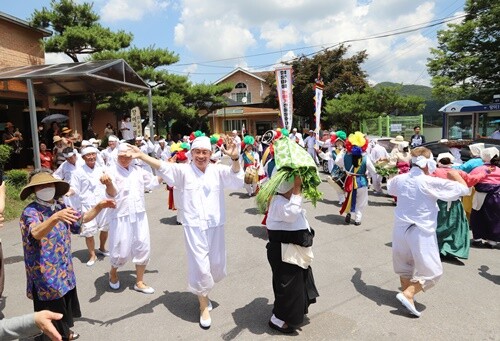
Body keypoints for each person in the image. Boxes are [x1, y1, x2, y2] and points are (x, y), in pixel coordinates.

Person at [128, 135, 243, 329]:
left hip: (216, 225)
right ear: (191, 154)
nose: (201, 156)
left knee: (215, 266)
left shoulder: (217, 170)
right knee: (200, 266)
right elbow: (163, 167)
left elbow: (237, 179)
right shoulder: (183, 171)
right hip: (194, 227)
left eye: (205, 152)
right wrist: (141, 156)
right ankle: (203, 305)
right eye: (197, 152)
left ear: (210, 154)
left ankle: (204, 292)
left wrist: (234, 158)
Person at [19, 169, 115, 341]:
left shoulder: (60, 206)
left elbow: (81, 219)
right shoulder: (31, 212)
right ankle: (55, 336)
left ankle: (63, 333)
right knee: (52, 307)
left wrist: (99, 206)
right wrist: (55, 218)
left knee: (64, 304)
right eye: (41, 185)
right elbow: (36, 232)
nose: (46, 188)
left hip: (63, 268)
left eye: (49, 184)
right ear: (34, 190)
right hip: (44, 272)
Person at [387, 147, 469, 317]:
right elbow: (463, 190)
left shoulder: (400, 179)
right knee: (433, 272)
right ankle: (408, 294)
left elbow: (390, 189)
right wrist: (456, 176)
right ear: (428, 163)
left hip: (400, 229)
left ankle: (408, 297)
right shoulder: (429, 182)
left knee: (404, 267)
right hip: (420, 230)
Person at [105, 143, 163, 295]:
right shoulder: (110, 171)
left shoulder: (138, 170)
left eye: (128, 156)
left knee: (142, 247)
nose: (124, 159)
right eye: (121, 156)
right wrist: (108, 183)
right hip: (120, 216)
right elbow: (111, 193)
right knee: (120, 251)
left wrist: (166, 170)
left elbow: (152, 182)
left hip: (139, 215)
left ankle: (139, 281)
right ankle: (113, 272)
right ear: (116, 156)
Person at [265, 173, 319, 334]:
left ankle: (289, 313)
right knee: (287, 288)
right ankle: (277, 320)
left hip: (291, 252)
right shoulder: (278, 202)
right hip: (284, 253)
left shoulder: (285, 200)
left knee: (295, 287)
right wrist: (296, 187)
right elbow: (291, 214)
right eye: (296, 186)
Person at [431, 152, 484, 260]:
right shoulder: (458, 172)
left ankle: (436, 247)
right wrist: (484, 173)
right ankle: (449, 249)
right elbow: (471, 180)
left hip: (437, 203)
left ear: (438, 162)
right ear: (451, 162)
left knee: (437, 226)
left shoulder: (434, 172)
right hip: (455, 203)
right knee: (455, 227)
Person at [68, 147, 113, 266]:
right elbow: (74, 187)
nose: (92, 157)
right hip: (87, 205)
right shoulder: (77, 172)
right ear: (83, 158)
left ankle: (102, 248)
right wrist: (69, 192)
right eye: (88, 155)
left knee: (105, 228)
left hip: (103, 202)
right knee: (88, 231)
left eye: (93, 154)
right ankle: (92, 255)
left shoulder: (102, 169)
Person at [337, 132, 375, 225]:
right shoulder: (365, 157)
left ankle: (348, 213)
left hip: (349, 181)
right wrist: (368, 175)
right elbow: (373, 171)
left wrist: (342, 153)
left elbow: (337, 162)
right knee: (360, 202)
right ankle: (358, 219)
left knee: (348, 198)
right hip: (361, 182)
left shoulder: (345, 155)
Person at [469, 147, 500, 248]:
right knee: (495, 218)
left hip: (481, 196)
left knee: (477, 217)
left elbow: (470, 180)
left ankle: (477, 239)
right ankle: (492, 241)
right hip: (497, 196)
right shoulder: (499, 169)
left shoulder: (478, 169)